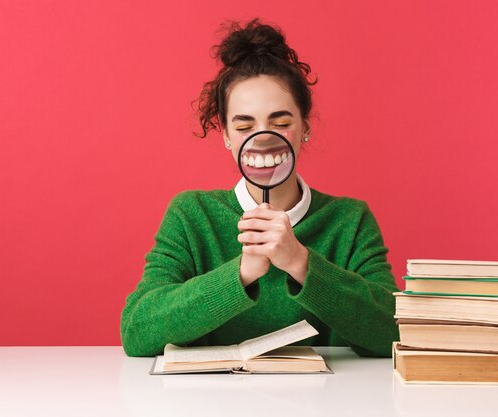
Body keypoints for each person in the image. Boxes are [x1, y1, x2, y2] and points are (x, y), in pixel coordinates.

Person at [120, 18, 399, 357]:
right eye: (245, 126)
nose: (264, 139)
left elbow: (393, 332)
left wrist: (300, 262)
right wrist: (240, 273)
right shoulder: (191, 215)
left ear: (305, 128)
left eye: (281, 123)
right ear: (225, 136)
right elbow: (137, 331)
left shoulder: (349, 220)